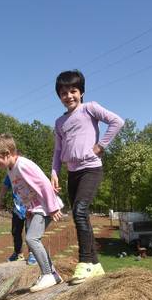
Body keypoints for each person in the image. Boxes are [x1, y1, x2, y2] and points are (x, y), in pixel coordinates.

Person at [51, 70, 124, 285]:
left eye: (73, 91)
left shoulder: (89, 108)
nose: (69, 96)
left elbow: (117, 122)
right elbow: (57, 151)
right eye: (63, 93)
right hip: (72, 173)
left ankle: (84, 263)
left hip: (91, 169)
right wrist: (54, 172)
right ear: (59, 96)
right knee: (79, 216)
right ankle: (96, 265)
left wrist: (101, 145)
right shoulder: (59, 122)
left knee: (81, 211)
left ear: (81, 92)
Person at [0, 134, 64, 292]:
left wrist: (53, 208)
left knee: (31, 239)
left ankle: (47, 274)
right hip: (35, 208)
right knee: (33, 239)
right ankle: (53, 274)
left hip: (45, 206)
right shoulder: (11, 169)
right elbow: (24, 191)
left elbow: (43, 184)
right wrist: (28, 209)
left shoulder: (22, 165)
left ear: (7, 153)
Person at [0, 174, 36, 264]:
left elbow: (36, 185)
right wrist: (0, 199)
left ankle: (33, 253)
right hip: (17, 208)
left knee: (30, 231)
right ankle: (18, 254)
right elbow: (5, 186)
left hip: (30, 206)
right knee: (15, 231)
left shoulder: (26, 170)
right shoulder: (10, 174)